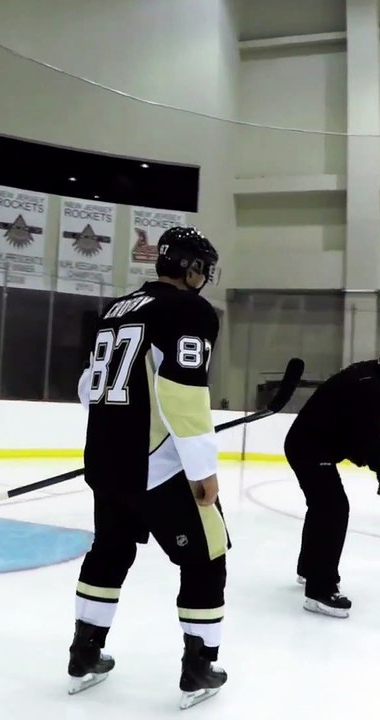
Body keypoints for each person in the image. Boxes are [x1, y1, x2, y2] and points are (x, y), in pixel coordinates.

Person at [66, 226, 229, 710]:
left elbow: (87, 388)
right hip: (158, 466)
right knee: (207, 555)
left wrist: (116, 436)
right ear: (191, 267)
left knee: (109, 552)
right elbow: (182, 394)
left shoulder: (116, 309)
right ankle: (199, 668)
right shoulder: (189, 311)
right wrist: (202, 468)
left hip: (105, 461)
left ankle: (84, 653)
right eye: (202, 268)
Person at [283, 345, 380, 619]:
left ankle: (310, 570)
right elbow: (367, 437)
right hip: (310, 448)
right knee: (333, 508)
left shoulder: (371, 378)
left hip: (309, 445)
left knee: (324, 506)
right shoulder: (370, 385)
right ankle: (319, 590)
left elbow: (355, 433)